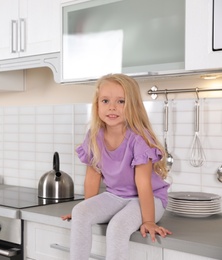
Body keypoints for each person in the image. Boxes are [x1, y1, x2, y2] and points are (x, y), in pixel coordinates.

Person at [61, 73, 172, 260]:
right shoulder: (94, 136)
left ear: (133, 106)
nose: (112, 107)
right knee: (79, 212)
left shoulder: (139, 138)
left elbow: (143, 183)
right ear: (97, 105)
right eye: (105, 101)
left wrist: (149, 221)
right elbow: (93, 176)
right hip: (115, 196)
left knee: (117, 226)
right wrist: (89, 209)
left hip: (149, 198)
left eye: (121, 101)